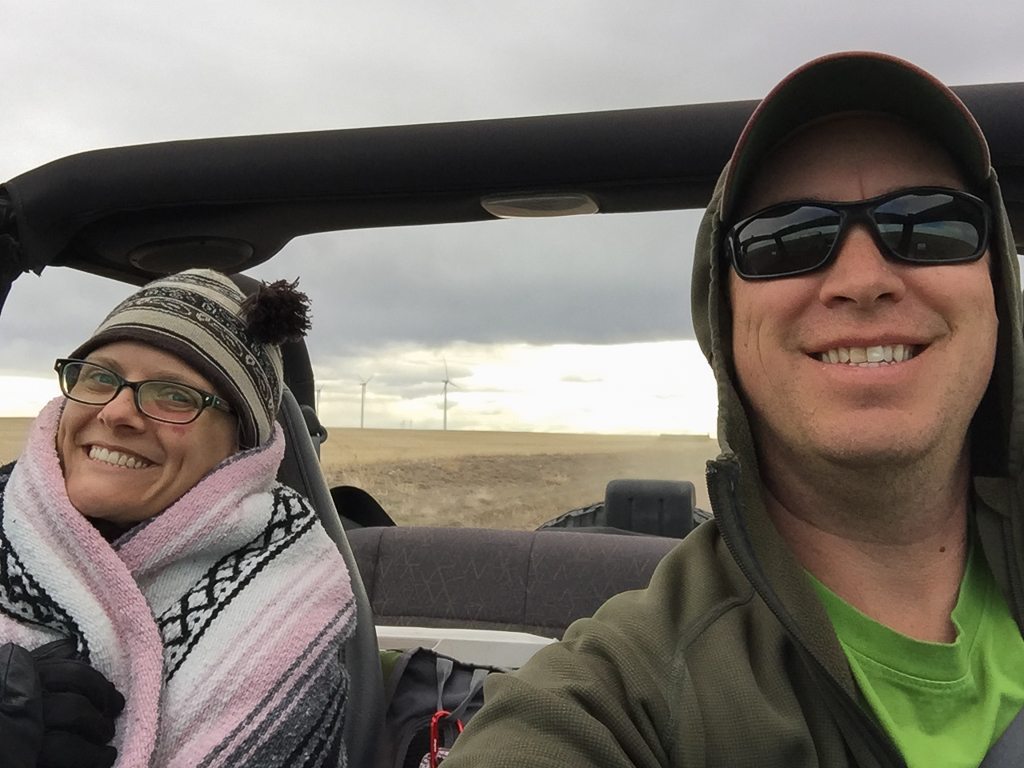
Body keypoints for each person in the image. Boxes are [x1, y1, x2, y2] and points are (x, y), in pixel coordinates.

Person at [444, 51, 1024, 767]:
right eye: (788, 239)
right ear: (723, 322)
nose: (864, 279)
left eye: (932, 224)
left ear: (998, 289)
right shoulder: (626, 700)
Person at [0, 269, 356, 767]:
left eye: (175, 395)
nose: (118, 411)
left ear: (240, 449)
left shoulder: (284, 618)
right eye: (100, 376)